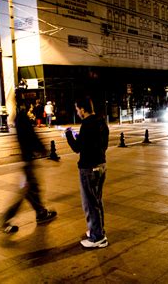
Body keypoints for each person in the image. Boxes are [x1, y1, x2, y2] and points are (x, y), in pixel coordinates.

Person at [0, 90, 57, 234]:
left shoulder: (18, 117)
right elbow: (31, 137)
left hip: (26, 160)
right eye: (28, 99)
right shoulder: (22, 117)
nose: (31, 102)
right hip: (27, 161)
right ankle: (4, 220)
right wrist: (44, 151)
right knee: (25, 191)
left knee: (32, 188)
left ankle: (41, 212)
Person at [65, 97, 109, 248]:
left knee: (90, 203)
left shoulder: (87, 124)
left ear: (83, 109)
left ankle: (98, 237)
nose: (77, 112)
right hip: (101, 165)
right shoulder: (101, 121)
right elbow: (102, 144)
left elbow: (78, 148)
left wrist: (69, 135)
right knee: (97, 201)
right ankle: (98, 230)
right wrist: (81, 138)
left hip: (89, 168)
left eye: (77, 109)